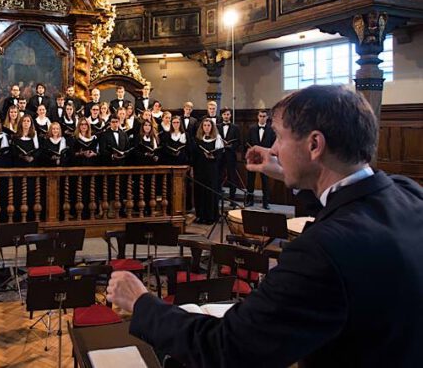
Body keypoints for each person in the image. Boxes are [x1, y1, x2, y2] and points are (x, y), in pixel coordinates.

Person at [106, 84, 423, 368]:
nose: (273, 149)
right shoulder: (406, 193)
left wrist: (142, 303)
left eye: (281, 138)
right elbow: (343, 206)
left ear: (314, 145)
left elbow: (228, 347)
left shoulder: (319, 252)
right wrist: (285, 170)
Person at [192, 117, 223, 223]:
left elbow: (220, 155)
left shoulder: (217, 138)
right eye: (204, 125)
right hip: (200, 169)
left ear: (212, 127)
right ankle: (200, 215)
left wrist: (213, 157)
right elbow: (194, 155)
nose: (206, 127)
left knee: (210, 192)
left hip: (212, 169)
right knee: (200, 192)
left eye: (208, 125)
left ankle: (210, 216)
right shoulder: (198, 139)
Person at [245, 109, 275, 209]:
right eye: (260, 116)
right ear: (257, 117)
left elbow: (273, 145)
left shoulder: (271, 130)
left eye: (264, 116)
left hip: (265, 159)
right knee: (250, 180)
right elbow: (247, 142)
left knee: (265, 181)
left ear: (267, 117)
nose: (262, 118)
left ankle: (266, 202)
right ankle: (250, 200)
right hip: (253, 158)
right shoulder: (251, 128)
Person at [219, 106, 241, 206]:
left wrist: (231, 146)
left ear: (230, 115)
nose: (226, 116)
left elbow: (239, 141)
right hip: (220, 155)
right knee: (219, 175)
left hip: (231, 155)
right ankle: (218, 196)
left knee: (232, 176)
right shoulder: (217, 126)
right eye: (224, 114)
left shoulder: (235, 127)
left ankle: (232, 198)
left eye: (228, 114)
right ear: (222, 115)